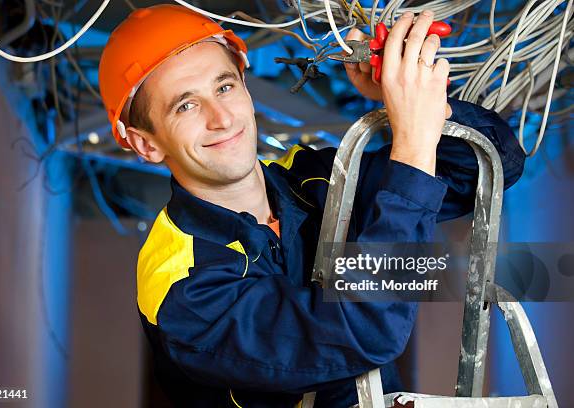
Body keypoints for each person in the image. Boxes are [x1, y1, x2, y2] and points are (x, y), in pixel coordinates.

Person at [98, 5, 525, 408]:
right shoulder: (180, 285)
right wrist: (412, 143)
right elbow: (365, 332)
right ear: (145, 143)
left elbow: (491, 168)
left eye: (224, 87)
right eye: (186, 105)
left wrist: (408, 106)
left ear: (245, 87)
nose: (221, 118)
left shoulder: (310, 179)